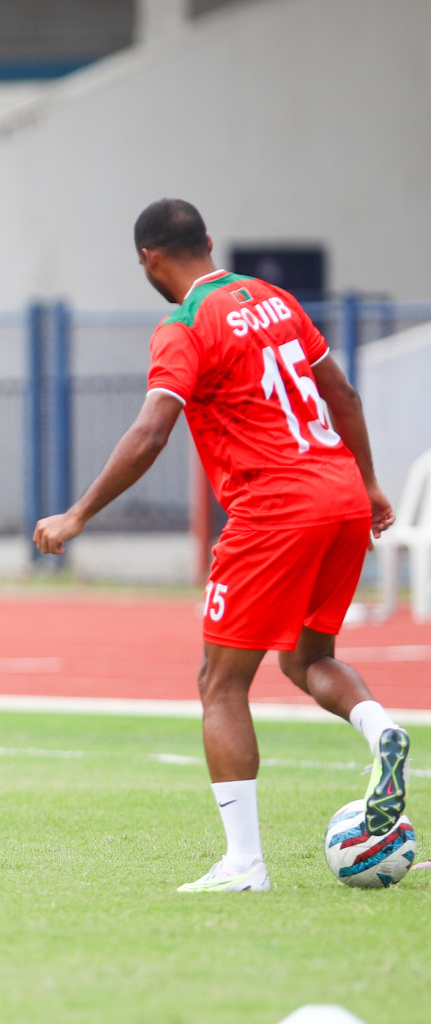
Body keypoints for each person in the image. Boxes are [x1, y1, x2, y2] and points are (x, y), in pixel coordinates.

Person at [34, 198, 409, 893]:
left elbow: (150, 433)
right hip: (341, 496)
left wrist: (79, 513)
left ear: (149, 259)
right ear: (207, 241)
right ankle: (380, 727)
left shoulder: (184, 326)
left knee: (219, 683)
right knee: (306, 659)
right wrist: (371, 483)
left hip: (275, 510)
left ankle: (245, 864)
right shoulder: (274, 298)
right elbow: (343, 394)